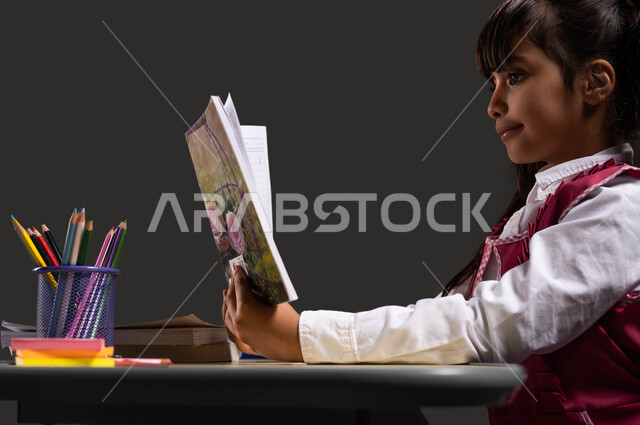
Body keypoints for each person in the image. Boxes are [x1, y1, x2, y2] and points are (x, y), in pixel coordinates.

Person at [223, 0, 640, 423]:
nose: (493, 105)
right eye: (493, 82)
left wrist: (299, 336)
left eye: (515, 76)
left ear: (595, 82)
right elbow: (437, 326)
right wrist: (288, 332)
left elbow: (482, 327)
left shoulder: (621, 209)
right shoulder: (538, 212)